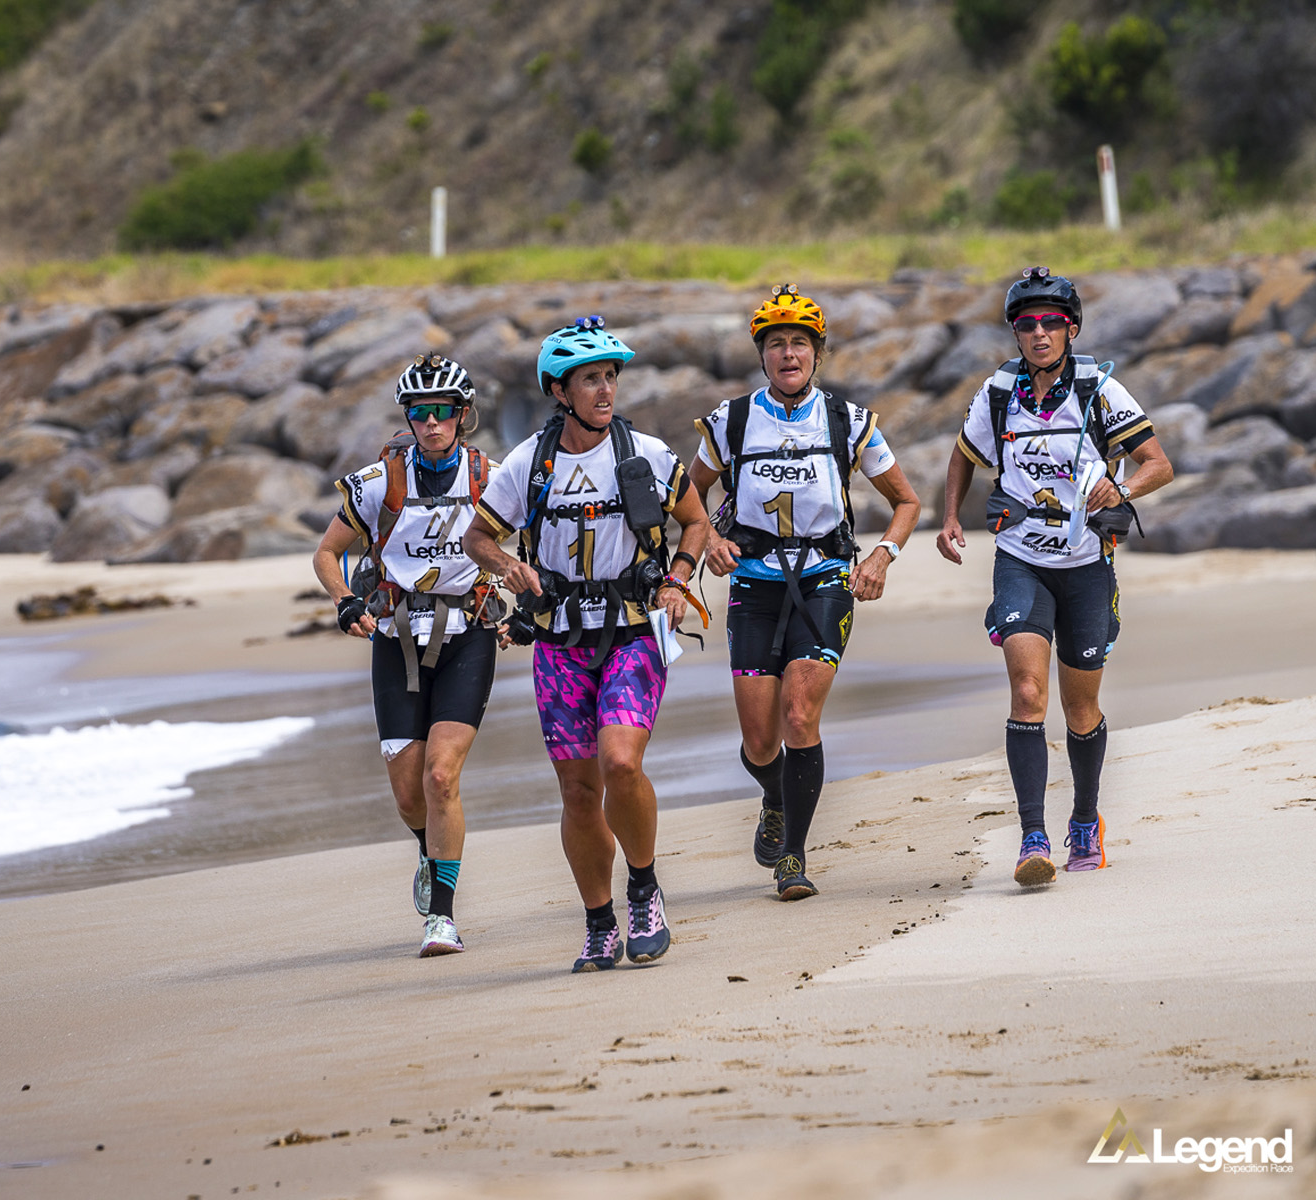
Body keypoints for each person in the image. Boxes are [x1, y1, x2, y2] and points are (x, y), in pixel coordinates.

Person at [462, 317, 712, 973]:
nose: (604, 391)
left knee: (620, 763)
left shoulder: (647, 455)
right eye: (589, 380)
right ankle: (599, 923)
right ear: (560, 391)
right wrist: (506, 568)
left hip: (633, 630)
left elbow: (695, 521)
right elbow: (477, 538)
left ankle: (644, 888)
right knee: (578, 792)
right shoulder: (527, 464)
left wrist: (680, 580)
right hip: (559, 642)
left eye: (609, 378)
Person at [935, 266, 1173, 887]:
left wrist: (1118, 484)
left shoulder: (1100, 391)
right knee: (1027, 694)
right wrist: (951, 517)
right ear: (1015, 333)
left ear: (1070, 328)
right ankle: (1032, 836)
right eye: (1025, 324)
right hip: (1020, 560)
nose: (1038, 333)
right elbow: (964, 455)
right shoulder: (997, 394)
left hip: (1087, 567)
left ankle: (1086, 818)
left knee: (1080, 708)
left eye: (1050, 322)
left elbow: (1158, 463)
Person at [686, 285, 921, 900]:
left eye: (800, 344)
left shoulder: (849, 421)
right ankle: (775, 798)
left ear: (818, 354)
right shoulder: (730, 421)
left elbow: (907, 501)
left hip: (825, 582)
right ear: (762, 355)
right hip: (753, 586)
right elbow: (686, 499)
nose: (788, 354)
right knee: (759, 741)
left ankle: (793, 858)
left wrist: (882, 555)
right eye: (776, 344)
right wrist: (708, 538)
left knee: (798, 717)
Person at [312, 353, 502, 957]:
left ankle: (441, 918)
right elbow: (325, 554)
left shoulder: (492, 480)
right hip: (394, 639)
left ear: (463, 415)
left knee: (441, 774)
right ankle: (429, 850)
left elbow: (535, 537)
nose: (432, 423)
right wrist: (345, 602)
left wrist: (522, 598)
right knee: (407, 792)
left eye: (443, 412)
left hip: (466, 633)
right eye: (420, 413)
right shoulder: (377, 485)